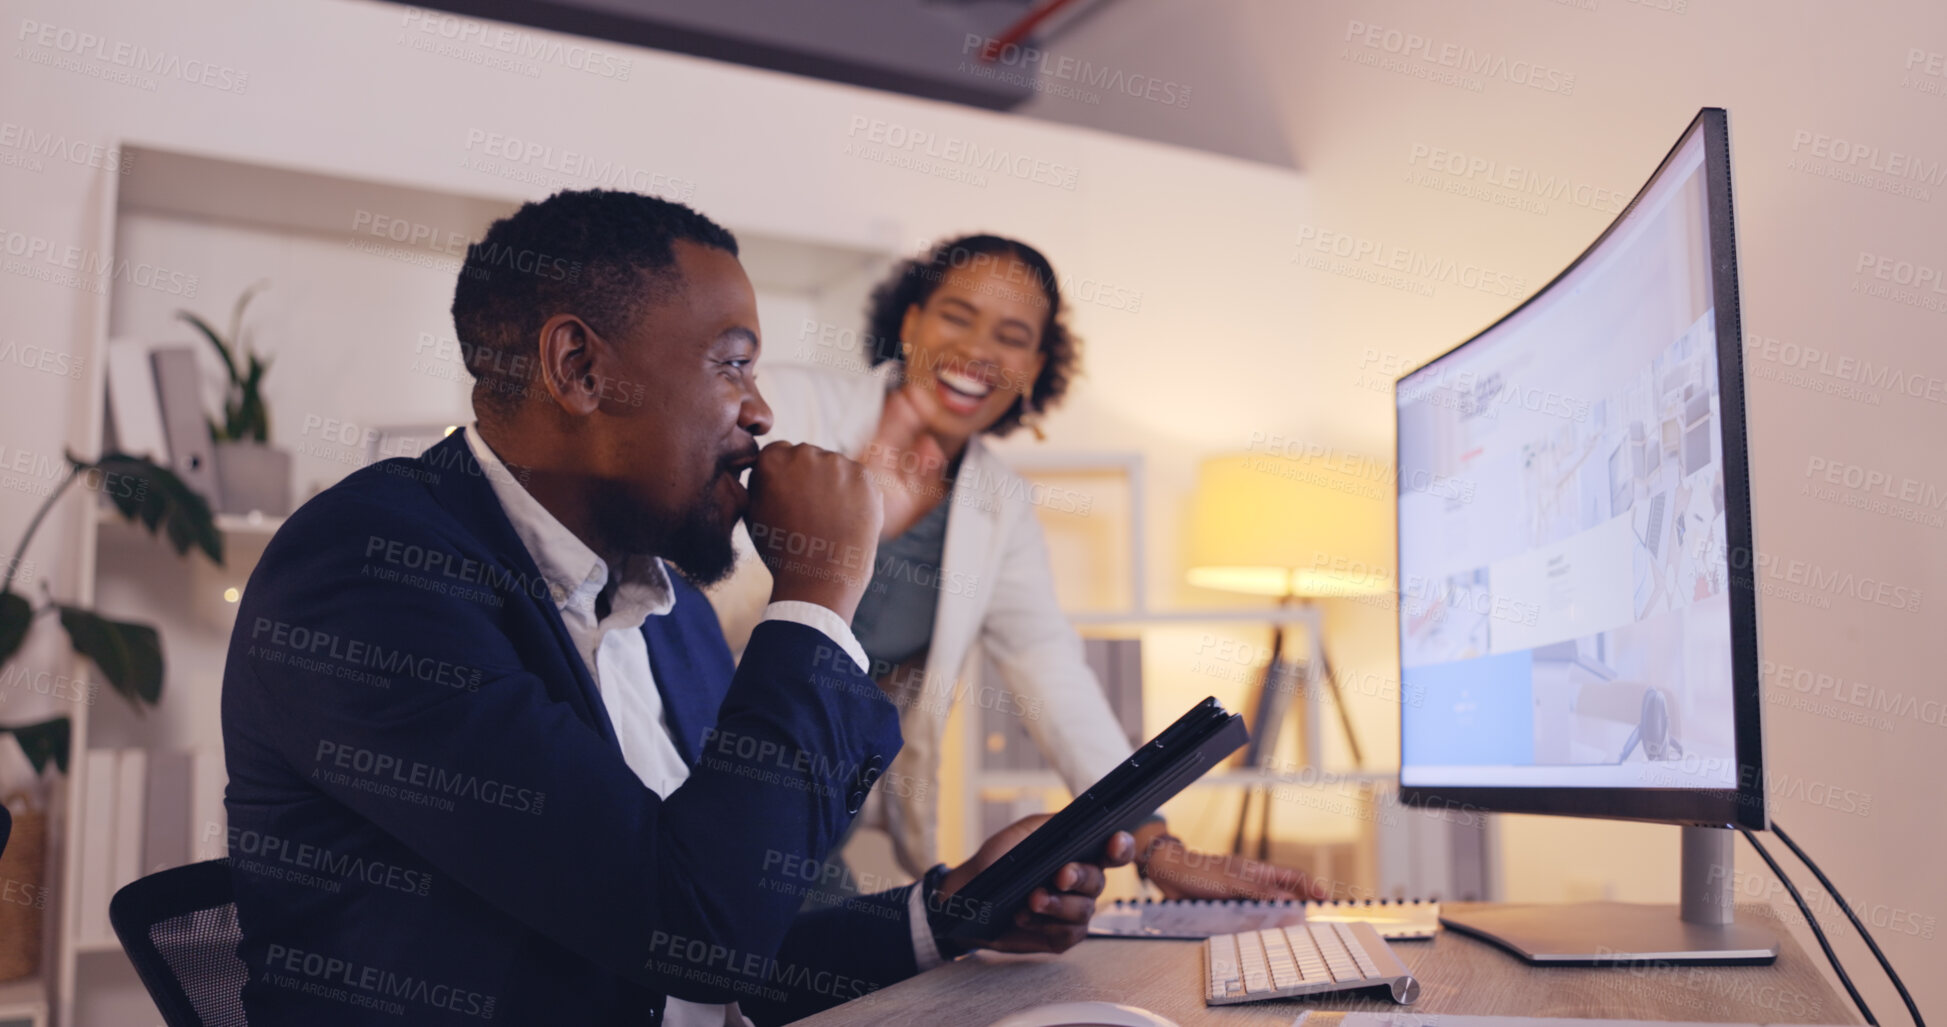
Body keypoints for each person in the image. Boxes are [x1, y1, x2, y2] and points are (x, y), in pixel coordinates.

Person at [220, 191, 1131, 1027]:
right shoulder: (371, 578)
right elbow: (690, 930)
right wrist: (816, 593)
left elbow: (734, 954)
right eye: (732, 364)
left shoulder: (672, 612)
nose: (761, 410)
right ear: (579, 368)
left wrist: (951, 910)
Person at [718, 235, 1321, 901]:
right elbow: (688, 593)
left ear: (1032, 367)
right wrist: (870, 496)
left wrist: (1153, 841)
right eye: (956, 316)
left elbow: (1051, 674)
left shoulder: (998, 506)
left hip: (813, 810)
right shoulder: (780, 402)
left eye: (1009, 336)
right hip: (690, 757)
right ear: (910, 323)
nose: (977, 350)